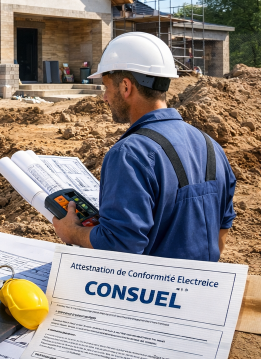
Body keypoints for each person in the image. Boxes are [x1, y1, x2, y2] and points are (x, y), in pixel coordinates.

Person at [52, 32, 235, 262]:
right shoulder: (211, 146)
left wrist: (73, 233)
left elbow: (119, 245)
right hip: (199, 291)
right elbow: (222, 228)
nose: (105, 98)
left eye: (106, 87)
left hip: (148, 294)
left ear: (126, 87)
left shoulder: (129, 154)